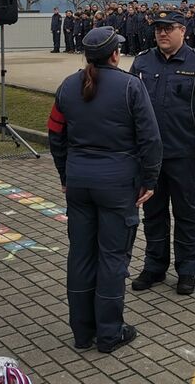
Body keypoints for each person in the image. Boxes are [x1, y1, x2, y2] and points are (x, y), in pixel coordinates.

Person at [48, 26, 162, 353]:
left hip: (79, 182)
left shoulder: (68, 85)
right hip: (117, 184)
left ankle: (82, 333)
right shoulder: (131, 86)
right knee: (112, 259)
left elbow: (55, 134)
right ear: (115, 54)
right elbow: (150, 139)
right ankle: (110, 334)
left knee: (81, 256)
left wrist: (65, 174)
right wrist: (150, 180)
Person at [130, 10, 195, 296]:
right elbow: (129, 106)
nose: (162, 33)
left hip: (184, 154)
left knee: (186, 213)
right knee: (153, 213)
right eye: (158, 28)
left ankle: (187, 269)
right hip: (150, 157)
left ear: (183, 30)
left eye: (168, 28)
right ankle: (154, 266)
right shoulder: (142, 62)